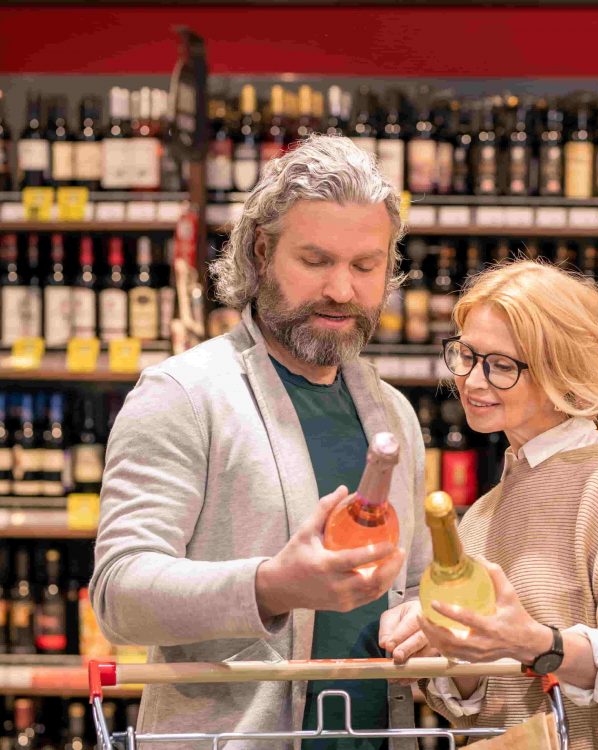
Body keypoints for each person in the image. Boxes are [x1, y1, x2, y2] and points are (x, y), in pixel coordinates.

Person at [90, 135, 431, 750]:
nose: (341, 290)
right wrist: (270, 586)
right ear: (262, 251)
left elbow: (418, 586)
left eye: (365, 265)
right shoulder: (184, 395)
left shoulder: (394, 416)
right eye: (315, 260)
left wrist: (425, 618)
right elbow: (119, 593)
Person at [400, 260, 598, 749]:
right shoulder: (483, 514)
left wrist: (530, 641)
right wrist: (450, 647)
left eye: (502, 365)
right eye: (466, 355)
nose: (473, 380)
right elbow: (479, 705)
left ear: (563, 370)